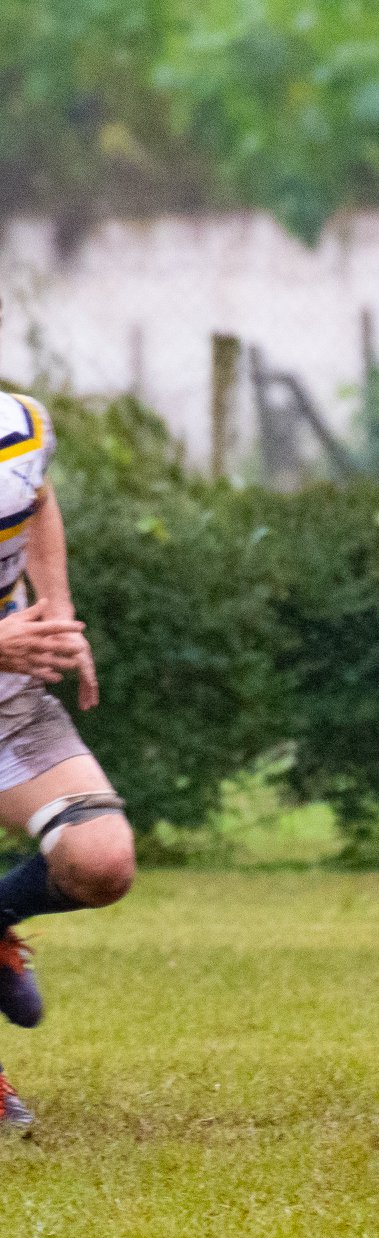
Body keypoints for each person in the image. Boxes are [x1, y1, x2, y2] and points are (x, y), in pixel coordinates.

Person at [0, 390, 140, 1128]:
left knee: (100, 859)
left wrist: (55, 610)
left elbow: (38, 498)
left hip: (8, 696)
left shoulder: (20, 425)